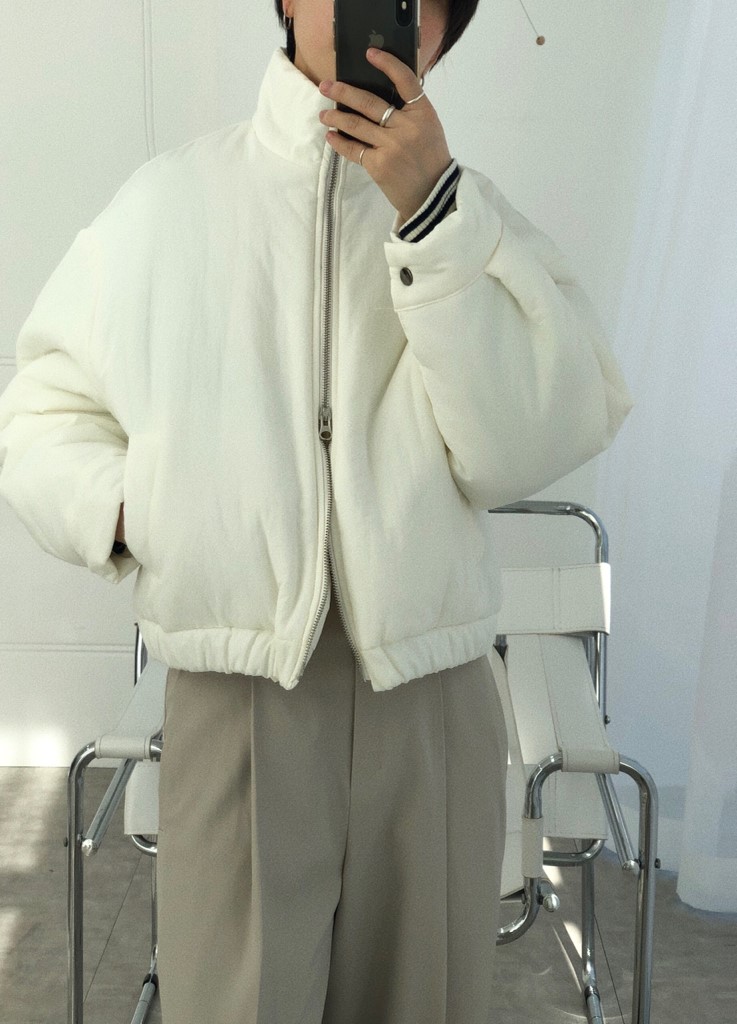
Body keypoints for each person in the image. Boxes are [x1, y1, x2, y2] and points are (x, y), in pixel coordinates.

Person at [0, 1, 634, 1021]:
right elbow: (39, 412)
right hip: (237, 695)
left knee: (420, 1003)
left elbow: (527, 441)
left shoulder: (475, 222)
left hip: (430, 698)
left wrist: (432, 216)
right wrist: (140, 509)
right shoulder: (171, 203)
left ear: (440, 35)